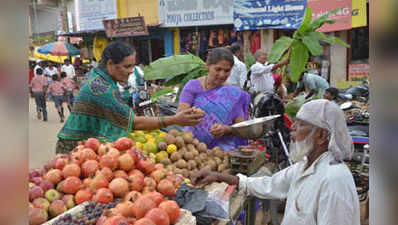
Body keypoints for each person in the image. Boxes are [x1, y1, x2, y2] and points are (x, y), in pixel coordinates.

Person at [193, 99, 360, 225]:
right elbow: (268, 185)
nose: (292, 128)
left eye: (301, 125)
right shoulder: (304, 166)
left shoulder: (333, 181)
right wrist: (218, 176)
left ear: (321, 136)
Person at [56, 41, 203, 154]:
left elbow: (141, 104)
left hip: (86, 145)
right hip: (74, 149)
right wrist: (175, 120)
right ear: (110, 64)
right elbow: (133, 122)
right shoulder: (101, 89)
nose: (131, 71)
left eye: (133, 66)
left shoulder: (99, 75)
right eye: (127, 66)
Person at [177, 47, 251, 151]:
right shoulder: (192, 86)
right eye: (218, 69)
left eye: (227, 71)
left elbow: (241, 128)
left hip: (221, 154)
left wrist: (225, 129)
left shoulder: (234, 95)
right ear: (208, 65)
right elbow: (180, 118)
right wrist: (192, 114)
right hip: (192, 149)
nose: (222, 75)